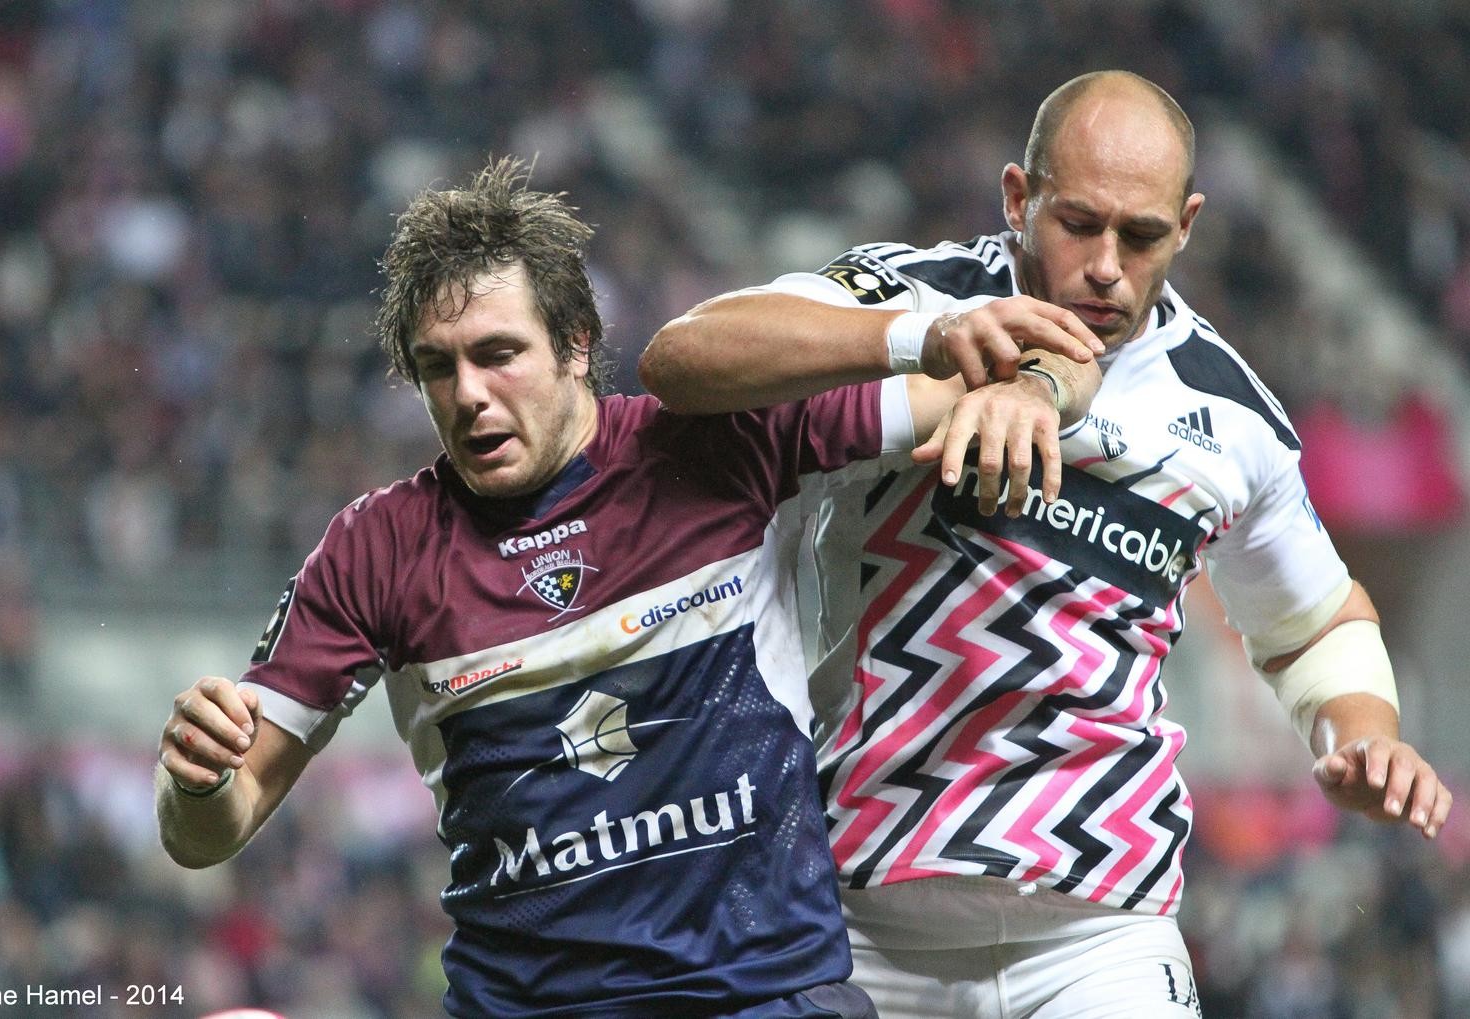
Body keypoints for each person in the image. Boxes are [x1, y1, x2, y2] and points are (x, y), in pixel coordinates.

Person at [153, 159, 1099, 1018]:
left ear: (575, 345)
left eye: (498, 353)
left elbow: (1044, 365)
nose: (469, 394)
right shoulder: (376, 550)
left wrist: (1032, 392)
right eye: (439, 367)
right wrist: (197, 779)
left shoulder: (721, 440)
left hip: (762, 999)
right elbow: (208, 831)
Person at [640, 71, 1453, 1019]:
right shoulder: (915, 296)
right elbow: (680, 358)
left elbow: (1316, 623)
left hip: (1101, 934)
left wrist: (1365, 736)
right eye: (1078, 224)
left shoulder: (1232, 414)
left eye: (1141, 235)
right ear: (1018, 198)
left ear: (1187, 225)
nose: (1107, 265)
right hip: (858, 917)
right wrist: (918, 342)